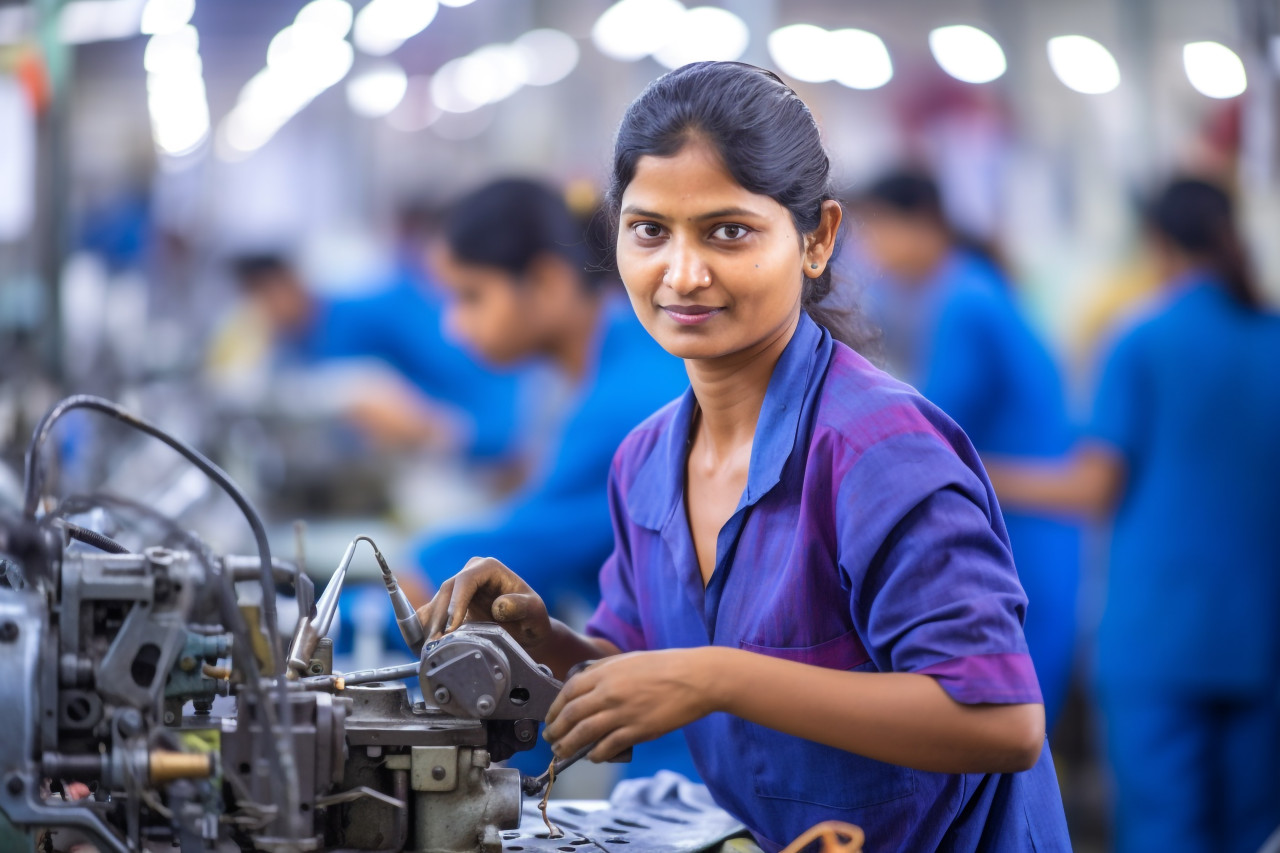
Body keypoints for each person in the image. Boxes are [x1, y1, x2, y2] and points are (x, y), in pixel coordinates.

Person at [415, 62, 1070, 850]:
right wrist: (542, 639)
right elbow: (636, 669)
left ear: (817, 237)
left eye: (728, 231)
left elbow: (1001, 721)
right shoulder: (648, 460)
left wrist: (714, 675)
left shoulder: (880, 454)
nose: (682, 274)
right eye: (650, 230)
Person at [986, 177, 1280, 853]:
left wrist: (969, 472)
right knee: (1253, 831)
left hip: (1159, 640)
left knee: (1163, 833)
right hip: (1261, 635)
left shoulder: (1141, 339)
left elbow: (1090, 489)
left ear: (1157, 242)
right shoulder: (1271, 337)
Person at [413, 178, 694, 779]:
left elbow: (507, 557)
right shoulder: (595, 368)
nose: (454, 327)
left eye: (469, 295)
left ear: (545, 281)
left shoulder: (625, 403)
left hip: (694, 757)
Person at [853, 170, 1079, 730]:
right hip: (1015, 525)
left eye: (877, 230)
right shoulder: (946, 290)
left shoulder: (966, 302)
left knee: (1007, 729)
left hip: (1022, 536)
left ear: (924, 225)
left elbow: (926, 422)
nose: (870, 250)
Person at [222, 249, 524, 461]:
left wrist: (440, 431)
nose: (264, 312)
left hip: (472, 453)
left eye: (265, 296)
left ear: (289, 283)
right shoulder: (292, 345)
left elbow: (469, 373)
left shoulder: (374, 313)